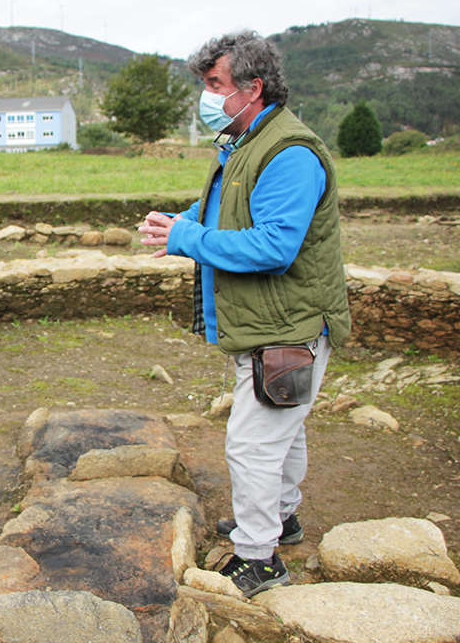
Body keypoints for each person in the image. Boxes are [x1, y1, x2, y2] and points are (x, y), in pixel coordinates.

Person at [138, 30, 351, 597]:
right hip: (267, 324)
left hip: (288, 326)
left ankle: (260, 557)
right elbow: (223, 210)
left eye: (214, 85)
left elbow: (274, 247)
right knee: (284, 422)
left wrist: (190, 236)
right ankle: (281, 517)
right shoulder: (244, 143)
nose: (206, 97)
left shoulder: (290, 154)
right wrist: (179, 225)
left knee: (253, 440)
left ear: (253, 88)